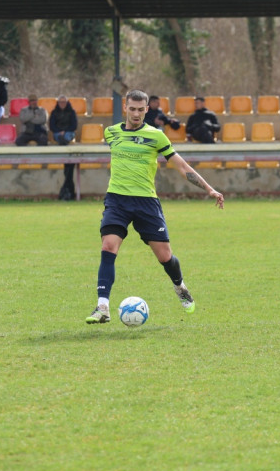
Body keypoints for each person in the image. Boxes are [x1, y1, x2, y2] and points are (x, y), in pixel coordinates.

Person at [86, 89, 225, 325]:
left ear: (147, 110)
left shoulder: (157, 136)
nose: (136, 113)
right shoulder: (111, 133)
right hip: (117, 200)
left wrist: (209, 189)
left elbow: (182, 167)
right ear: (125, 108)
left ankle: (180, 287)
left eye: (141, 109)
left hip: (146, 202)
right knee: (108, 246)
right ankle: (102, 307)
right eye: (132, 109)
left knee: (165, 256)